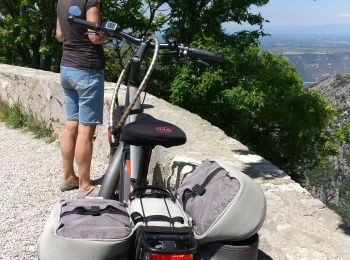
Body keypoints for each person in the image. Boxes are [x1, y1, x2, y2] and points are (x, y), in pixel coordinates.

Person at [56, 0, 110, 197]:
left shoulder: (61, 1)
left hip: (67, 68)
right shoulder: (90, 1)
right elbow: (95, 37)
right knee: (85, 131)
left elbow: (60, 35)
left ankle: (70, 177)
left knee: (72, 125)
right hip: (87, 70)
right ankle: (85, 185)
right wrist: (108, 33)